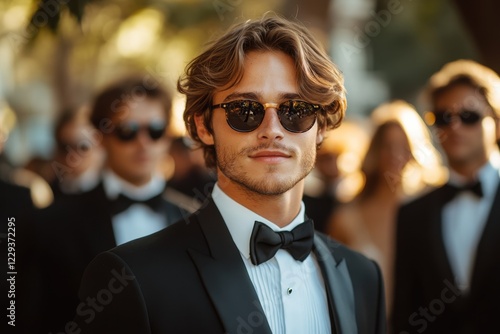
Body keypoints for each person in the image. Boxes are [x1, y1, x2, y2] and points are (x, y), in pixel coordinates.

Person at [73, 16, 386, 334]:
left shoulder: (364, 278)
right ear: (203, 127)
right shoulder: (131, 278)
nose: (272, 130)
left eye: (295, 109)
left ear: (321, 127)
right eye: (245, 110)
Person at [27, 77, 191, 333]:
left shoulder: (195, 218)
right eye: (127, 131)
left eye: (155, 130)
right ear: (101, 137)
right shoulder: (54, 223)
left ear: (168, 136)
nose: (143, 142)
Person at [392, 60, 500, 333]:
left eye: (469, 116)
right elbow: (406, 311)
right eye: (442, 117)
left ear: (496, 122)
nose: (455, 127)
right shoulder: (411, 214)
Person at [327, 100, 446, 318]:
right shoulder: (347, 217)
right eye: (388, 146)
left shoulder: (432, 212)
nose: (395, 155)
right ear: (375, 150)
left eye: (403, 146)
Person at [303, 119, 370, 233]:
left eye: (338, 156)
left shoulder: (361, 198)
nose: (332, 165)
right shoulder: (307, 200)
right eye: (326, 158)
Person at [50, 105, 104, 197]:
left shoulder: (111, 190)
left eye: (83, 146)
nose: (73, 154)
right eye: (65, 147)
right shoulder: (50, 191)